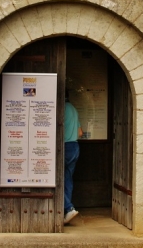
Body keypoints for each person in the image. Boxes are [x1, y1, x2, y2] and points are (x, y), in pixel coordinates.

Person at [63, 90, 82, 224]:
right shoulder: (74, 109)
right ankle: (66, 213)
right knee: (68, 179)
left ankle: (68, 208)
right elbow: (80, 133)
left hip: (64, 147)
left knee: (56, 179)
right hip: (75, 146)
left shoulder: (60, 108)